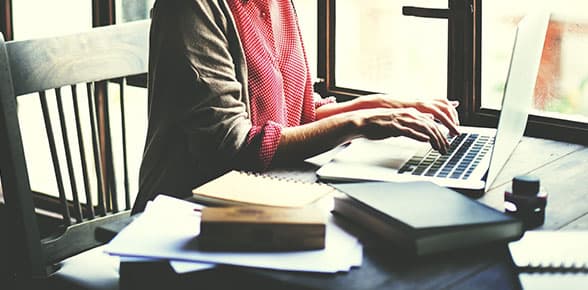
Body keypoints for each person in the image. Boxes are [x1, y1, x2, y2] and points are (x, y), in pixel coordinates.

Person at [131, 0, 460, 213]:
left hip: (261, 198)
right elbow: (232, 146)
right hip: (187, 216)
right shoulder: (190, 8)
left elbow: (297, 114)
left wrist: (385, 106)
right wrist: (359, 122)